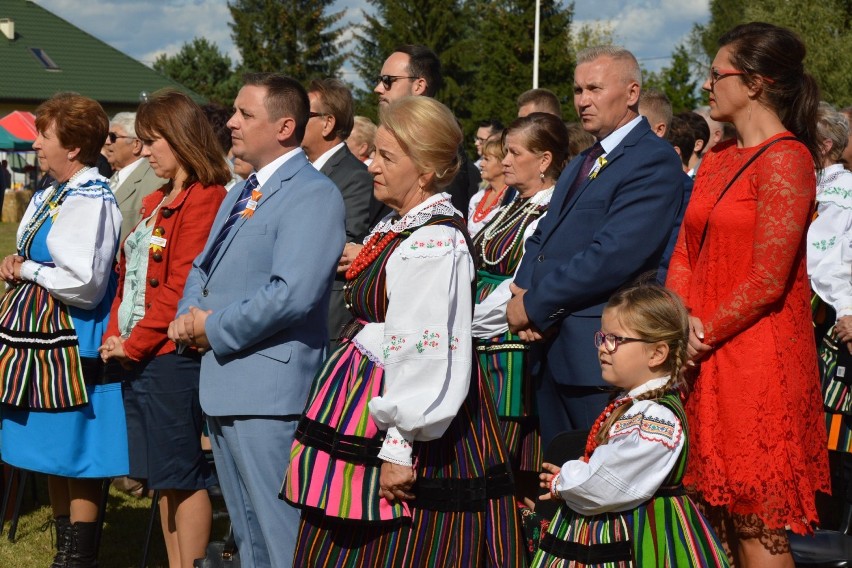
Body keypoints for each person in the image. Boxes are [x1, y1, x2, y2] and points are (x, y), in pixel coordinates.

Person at [284, 96, 523, 566]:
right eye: (375, 152)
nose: (372, 164)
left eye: (387, 157)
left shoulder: (435, 240)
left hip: (412, 416)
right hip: (369, 399)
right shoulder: (400, 224)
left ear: (427, 170)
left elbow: (424, 347)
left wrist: (399, 446)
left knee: (402, 544)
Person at [666, 23, 830, 565]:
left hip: (757, 362)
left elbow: (767, 279)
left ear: (756, 83)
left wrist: (700, 334)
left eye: (717, 74)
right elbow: (687, 251)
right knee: (714, 529)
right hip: (703, 355)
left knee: (756, 529)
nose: (707, 85)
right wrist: (678, 326)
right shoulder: (717, 158)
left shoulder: (788, 160)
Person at [167, 73, 345, 567]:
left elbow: (292, 294)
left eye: (246, 114)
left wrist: (212, 327)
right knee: (246, 535)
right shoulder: (243, 188)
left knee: (279, 533)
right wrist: (187, 319)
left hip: (268, 391)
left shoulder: (312, 193)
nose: (231, 122)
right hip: (225, 382)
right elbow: (204, 267)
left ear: (285, 125)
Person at [507, 46, 684, 447]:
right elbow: (543, 235)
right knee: (557, 475)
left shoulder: (651, 160)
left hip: (599, 353)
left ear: (632, 92)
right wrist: (522, 287)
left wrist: (534, 303)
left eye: (594, 88)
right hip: (549, 343)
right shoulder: (583, 159)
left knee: (596, 478)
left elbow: (613, 255)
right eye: (576, 90)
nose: (582, 100)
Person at [99, 90, 230, 568]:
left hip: (170, 359)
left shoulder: (206, 197)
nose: (146, 150)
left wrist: (133, 343)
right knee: (161, 477)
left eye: (154, 141)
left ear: (181, 139)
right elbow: (126, 276)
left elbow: (179, 287)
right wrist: (117, 334)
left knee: (181, 475)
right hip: (140, 353)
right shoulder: (157, 197)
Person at [0, 93, 125, 568]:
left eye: (44, 136)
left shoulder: (90, 199)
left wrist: (28, 270)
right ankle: (64, 547)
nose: (35, 145)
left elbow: (84, 284)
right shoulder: (56, 191)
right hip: (43, 329)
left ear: (73, 147)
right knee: (53, 448)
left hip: (72, 335)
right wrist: (21, 263)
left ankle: (79, 555)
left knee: (78, 447)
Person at [532, 283, 729, 567]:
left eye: (615, 339)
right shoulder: (635, 405)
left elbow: (607, 483)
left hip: (643, 535)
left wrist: (567, 479)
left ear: (656, 354)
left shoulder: (653, 416)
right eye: (601, 337)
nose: (603, 347)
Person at [472, 113, 568, 498]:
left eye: (514, 152)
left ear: (544, 160)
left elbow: (517, 289)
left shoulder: (547, 211)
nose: (505, 160)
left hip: (506, 354)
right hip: (481, 343)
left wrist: (462, 322)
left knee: (502, 462)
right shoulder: (513, 202)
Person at [302, 78, 373, 346]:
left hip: (328, 317)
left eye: (304, 114)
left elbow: (346, 244)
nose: (294, 121)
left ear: (328, 123)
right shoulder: (304, 171)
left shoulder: (355, 176)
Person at [372, 44, 480, 216]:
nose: (378, 88)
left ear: (419, 85)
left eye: (388, 80)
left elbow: (439, 224)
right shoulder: (394, 139)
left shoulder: (445, 155)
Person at [808, 103, 852, 471]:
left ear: (822, 146)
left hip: (830, 322)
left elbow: (839, 263)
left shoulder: (846, 191)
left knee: (834, 426)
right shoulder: (804, 186)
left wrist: (847, 309)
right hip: (812, 321)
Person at [105, 112, 168, 247]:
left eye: (113, 137)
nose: (107, 142)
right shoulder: (113, 177)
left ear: (136, 145)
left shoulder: (155, 179)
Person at [467, 135, 514, 237]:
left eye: (487, 159)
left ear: (503, 163)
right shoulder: (477, 197)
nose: (481, 164)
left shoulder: (511, 198)